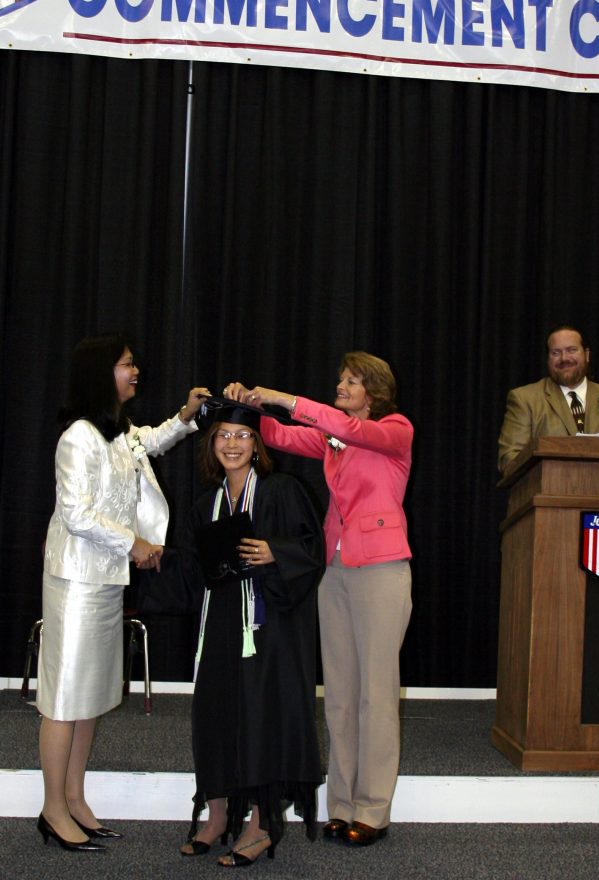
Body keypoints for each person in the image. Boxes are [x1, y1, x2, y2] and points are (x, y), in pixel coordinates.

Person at [223, 351, 413, 848]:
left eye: (350, 381)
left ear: (373, 389)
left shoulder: (394, 429)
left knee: (376, 694)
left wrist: (282, 397)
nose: (341, 387)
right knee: (342, 695)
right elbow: (282, 435)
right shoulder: (337, 438)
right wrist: (252, 407)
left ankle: (373, 809)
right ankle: (342, 804)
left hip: (381, 568)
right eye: (340, 379)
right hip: (336, 569)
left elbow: (342, 427)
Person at [36, 333, 209, 852]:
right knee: (63, 701)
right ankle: (50, 809)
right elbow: (77, 514)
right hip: (74, 581)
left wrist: (185, 415)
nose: (136, 371)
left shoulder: (118, 431)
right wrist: (133, 541)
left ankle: (74, 797)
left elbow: (150, 442)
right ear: (101, 373)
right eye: (127, 364)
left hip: (107, 579)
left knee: (89, 698)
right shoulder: (78, 437)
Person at [180, 404, 324, 867]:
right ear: (212, 443)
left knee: (263, 716)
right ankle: (218, 814)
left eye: (243, 435)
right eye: (224, 435)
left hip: (271, 625)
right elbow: (193, 567)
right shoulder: (207, 504)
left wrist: (273, 552)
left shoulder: (283, 491)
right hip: (221, 620)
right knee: (217, 711)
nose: (232, 444)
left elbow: (312, 549)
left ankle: (261, 824)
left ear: (259, 444)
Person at [497, 325, 599, 473]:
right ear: (548, 359)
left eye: (572, 350)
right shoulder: (525, 399)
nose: (564, 358)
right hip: (549, 493)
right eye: (556, 352)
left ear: (587, 354)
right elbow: (509, 461)